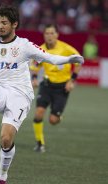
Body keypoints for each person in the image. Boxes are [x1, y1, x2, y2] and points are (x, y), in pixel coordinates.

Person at [0, 6, 84, 184]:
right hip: (0, 90)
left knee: (5, 139)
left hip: (21, 95)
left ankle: (2, 175)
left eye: (4, 23)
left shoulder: (24, 45)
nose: (0, 26)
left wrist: (70, 59)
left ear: (14, 24)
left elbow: (49, 57)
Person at [30, 24, 82, 153]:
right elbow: (35, 67)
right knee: (38, 113)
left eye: (52, 33)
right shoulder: (40, 50)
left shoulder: (66, 48)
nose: (49, 36)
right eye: (47, 33)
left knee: (53, 120)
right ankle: (39, 143)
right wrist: (35, 79)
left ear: (57, 35)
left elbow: (79, 61)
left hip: (62, 88)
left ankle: (58, 116)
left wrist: (72, 80)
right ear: (44, 35)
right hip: (46, 86)